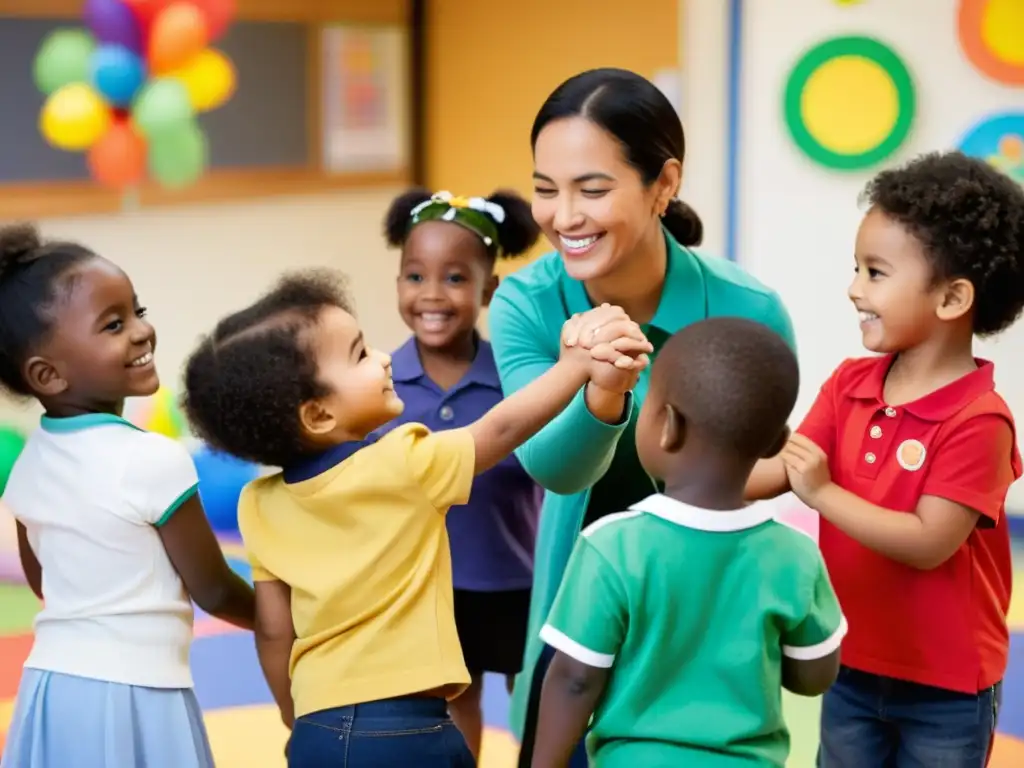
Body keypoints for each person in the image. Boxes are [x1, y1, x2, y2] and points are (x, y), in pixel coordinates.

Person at [180, 269, 651, 767]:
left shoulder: (257, 503)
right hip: (406, 729)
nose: (385, 358)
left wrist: (295, 720)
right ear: (318, 415)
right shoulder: (404, 461)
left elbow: (275, 631)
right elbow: (504, 426)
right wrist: (575, 366)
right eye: (361, 355)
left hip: (317, 730)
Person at [486, 67, 798, 765]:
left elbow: (753, 467)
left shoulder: (751, 310)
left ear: (664, 184)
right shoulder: (527, 304)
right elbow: (552, 469)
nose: (563, 216)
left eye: (592, 189)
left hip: (707, 636)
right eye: (545, 188)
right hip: (576, 612)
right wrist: (601, 390)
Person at [746, 151, 1024, 767]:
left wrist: (823, 495)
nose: (853, 288)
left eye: (875, 273)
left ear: (952, 299)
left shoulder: (981, 420)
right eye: (856, 268)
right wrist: (703, 479)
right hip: (848, 659)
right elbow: (788, 467)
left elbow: (929, 541)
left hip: (948, 687)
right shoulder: (849, 384)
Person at [531, 317, 845, 768]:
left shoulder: (611, 546)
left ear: (668, 426)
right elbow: (814, 676)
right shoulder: (795, 555)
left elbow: (575, 679)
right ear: (777, 443)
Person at [0, 224, 255, 768]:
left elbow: (46, 582)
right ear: (48, 374)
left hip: (51, 690)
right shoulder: (152, 460)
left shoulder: (27, 466)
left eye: (138, 311)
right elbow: (212, 590)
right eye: (113, 325)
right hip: (139, 691)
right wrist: (286, 621)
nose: (141, 331)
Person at [377, 187, 543, 758]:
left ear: (487, 289)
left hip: (521, 581)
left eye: (454, 278)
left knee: (538, 701)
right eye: (414, 276)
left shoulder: (518, 378)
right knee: (456, 701)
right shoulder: (379, 384)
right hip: (430, 587)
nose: (431, 295)